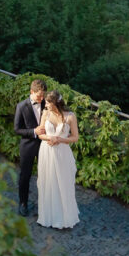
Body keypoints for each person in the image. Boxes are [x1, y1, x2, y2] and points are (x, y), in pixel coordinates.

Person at [37, 89, 80, 229]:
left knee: (63, 183)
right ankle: (48, 216)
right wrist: (51, 138)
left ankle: (63, 217)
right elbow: (40, 135)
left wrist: (59, 139)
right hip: (46, 152)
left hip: (62, 153)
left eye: (48, 103)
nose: (46, 105)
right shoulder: (45, 113)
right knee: (47, 182)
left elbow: (75, 137)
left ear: (56, 103)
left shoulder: (70, 116)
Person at [14, 79, 47, 217]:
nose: (41, 98)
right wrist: (34, 131)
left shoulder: (47, 104)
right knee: (25, 176)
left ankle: (45, 205)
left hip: (44, 146)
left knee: (45, 176)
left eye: (43, 95)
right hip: (27, 146)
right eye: (39, 96)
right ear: (31, 92)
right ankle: (23, 203)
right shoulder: (21, 106)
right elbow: (17, 129)